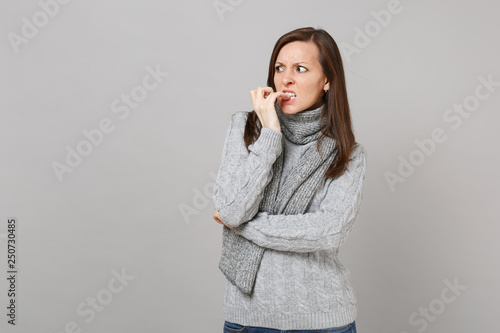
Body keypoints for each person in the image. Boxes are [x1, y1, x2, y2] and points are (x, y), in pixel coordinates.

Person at [212, 27, 366, 333]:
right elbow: (231, 206)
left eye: (301, 69)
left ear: (326, 81)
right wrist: (269, 134)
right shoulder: (246, 129)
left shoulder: (348, 152)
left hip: (323, 322)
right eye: (279, 68)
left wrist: (244, 224)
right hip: (248, 320)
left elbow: (327, 231)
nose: (286, 79)